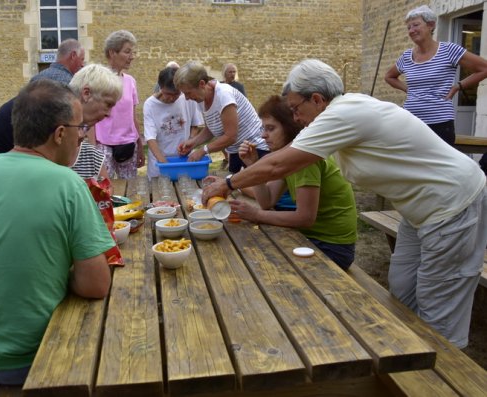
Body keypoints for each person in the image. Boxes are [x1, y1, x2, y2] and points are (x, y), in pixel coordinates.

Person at [202, 59, 487, 349]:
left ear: (316, 99)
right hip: (420, 212)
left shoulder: (343, 113)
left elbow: (278, 165)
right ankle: (412, 356)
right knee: (402, 289)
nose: (296, 117)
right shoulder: (339, 115)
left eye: (296, 109)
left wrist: (227, 184)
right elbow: (280, 162)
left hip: (454, 204)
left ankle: (442, 373)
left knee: (439, 310)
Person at [0, 80, 114, 394]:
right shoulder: (67, 183)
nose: (82, 135)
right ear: (60, 134)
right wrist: (61, 273)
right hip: (24, 356)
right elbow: (96, 285)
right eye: (80, 128)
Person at [229, 95, 357, 270]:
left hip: (332, 246)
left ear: (289, 128)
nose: (263, 135)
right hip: (314, 238)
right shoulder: (291, 155)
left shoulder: (305, 159)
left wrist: (256, 214)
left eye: (271, 128)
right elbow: (268, 201)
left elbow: (305, 218)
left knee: (258, 264)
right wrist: (253, 164)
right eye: (263, 128)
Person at [0, 63, 121, 167]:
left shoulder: (58, 104)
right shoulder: (51, 108)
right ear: (86, 93)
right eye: (108, 104)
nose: (108, 114)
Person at [384, 5, 487, 146]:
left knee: (440, 167)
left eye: (415, 25)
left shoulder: (449, 50)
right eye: (408, 28)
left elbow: (484, 68)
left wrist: (458, 86)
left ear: (431, 25)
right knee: (413, 166)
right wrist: (408, 89)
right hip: (411, 122)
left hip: (440, 123)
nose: (411, 30)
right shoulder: (407, 56)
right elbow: (389, 76)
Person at [174, 61, 269, 173]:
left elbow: (230, 136)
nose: (186, 98)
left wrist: (203, 150)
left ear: (201, 84)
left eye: (188, 93)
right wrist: (193, 142)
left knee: (247, 187)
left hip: (255, 150)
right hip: (236, 151)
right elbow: (211, 127)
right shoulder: (201, 98)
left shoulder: (223, 95)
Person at [94, 30, 145, 179]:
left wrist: (140, 146)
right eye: (127, 52)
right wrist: (92, 148)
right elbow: (91, 117)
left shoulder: (131, 81)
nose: (132, 57)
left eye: (133, 52)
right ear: (112, 53)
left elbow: (133, 116)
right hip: (103, 145)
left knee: (130, 189)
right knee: (104, 191)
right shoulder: (98, 80)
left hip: (129, 144)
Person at [144, 67, 203, 179]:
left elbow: (195, 125)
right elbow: (150, 138)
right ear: (161, 87)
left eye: (176, 94)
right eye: (168, 94)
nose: (172, 98)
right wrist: (164, 163)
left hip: (184, 160)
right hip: (159, 164)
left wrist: (189, 142)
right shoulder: (150, 105)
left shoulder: (187, 98)